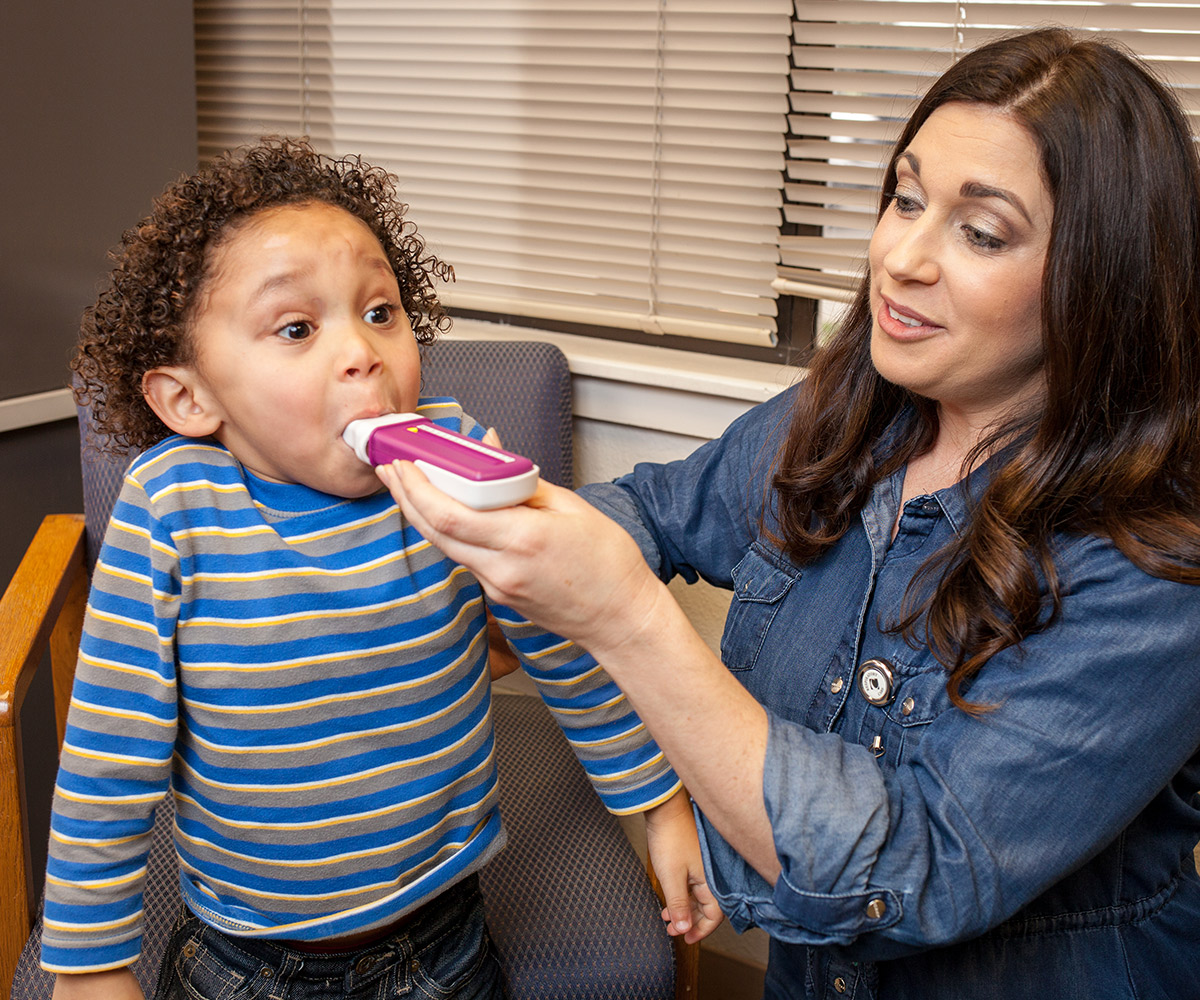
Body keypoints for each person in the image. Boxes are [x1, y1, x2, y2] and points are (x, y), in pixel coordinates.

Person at [379, 28, 1200, 999]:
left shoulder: (1156, 565)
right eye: (905, 197)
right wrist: (484, 566)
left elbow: (910, 869)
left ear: (1099, 282)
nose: (902, 257)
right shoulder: (842, 422)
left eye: (979, 232)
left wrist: (627, 620)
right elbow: (653, 512)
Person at [43, 137, 721, 1000]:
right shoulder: (173, 511)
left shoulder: (454, 463)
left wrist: (658, 809)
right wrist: (90, 968)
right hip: (250, 963)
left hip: (445, 936)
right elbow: (109, 757)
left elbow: (566, 651)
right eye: (296, 328)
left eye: (379, 312)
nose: (361, 352)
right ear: (191, 397)